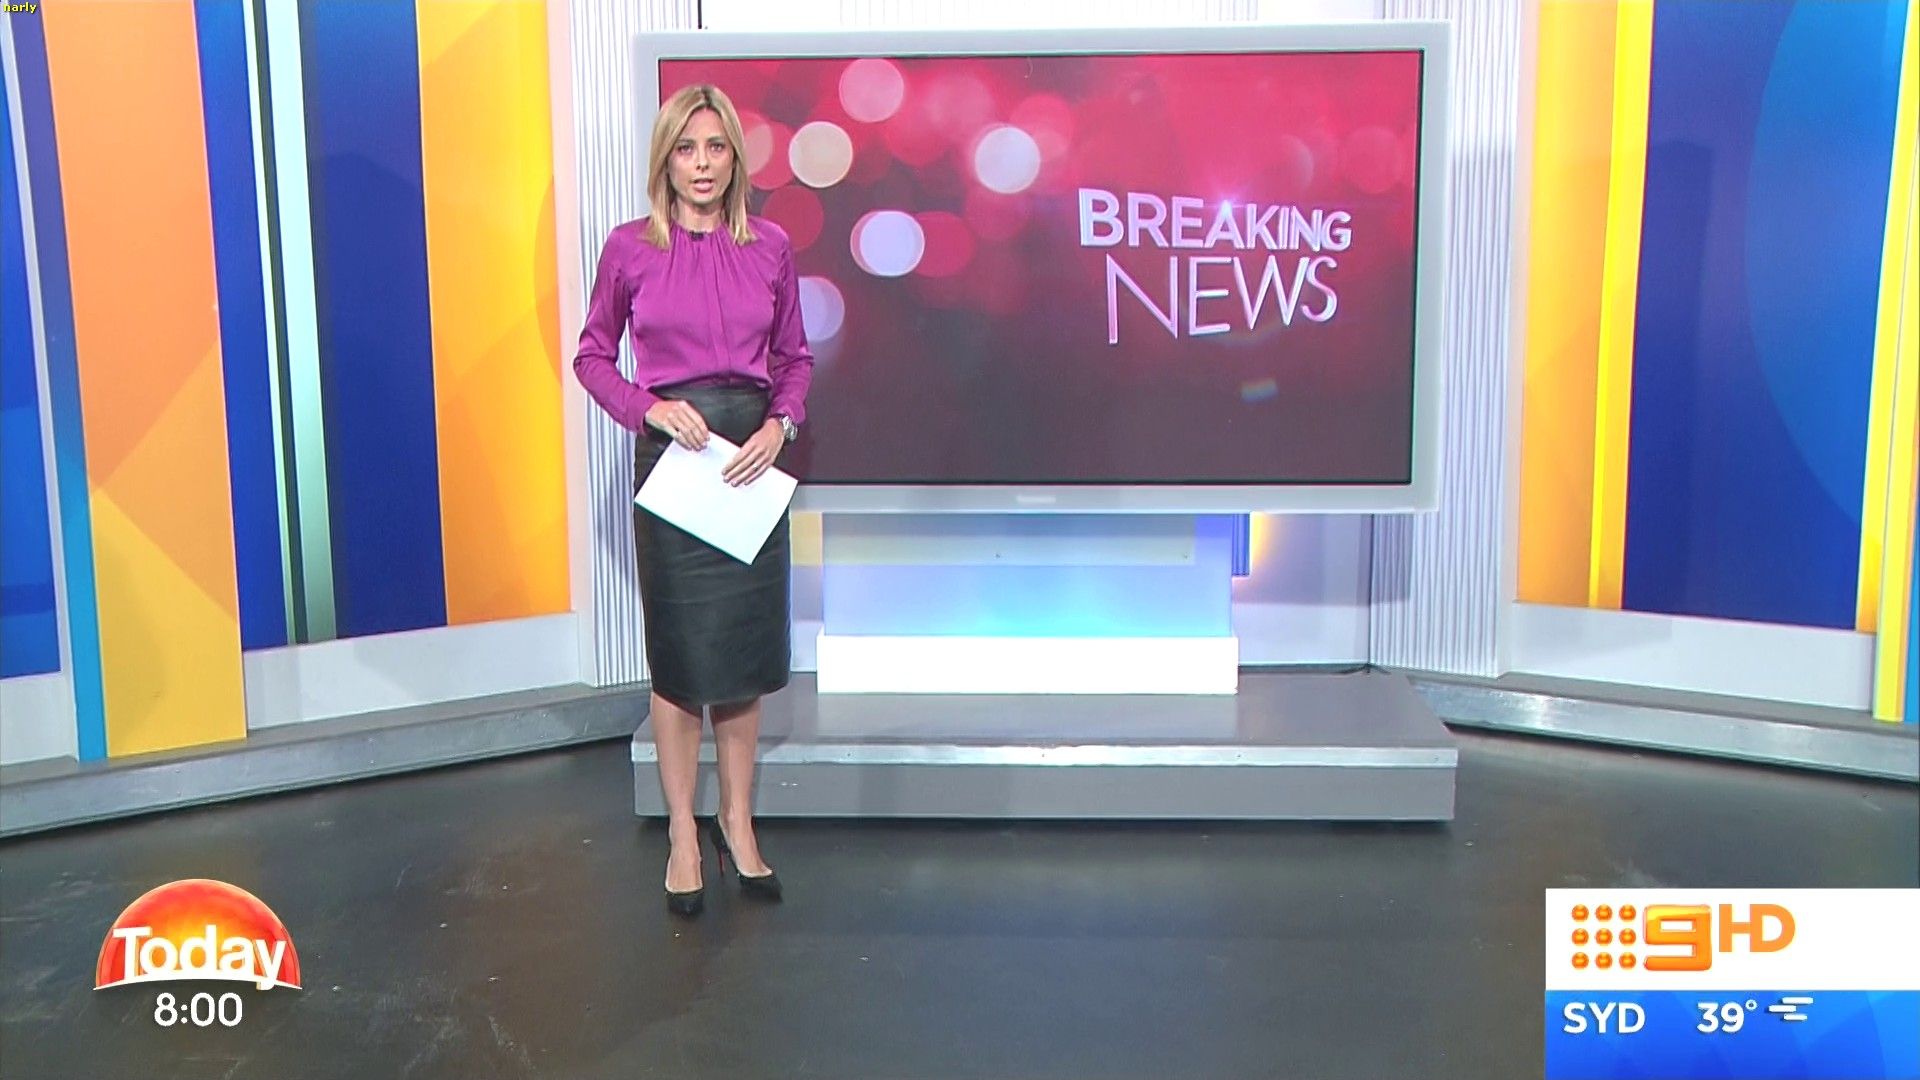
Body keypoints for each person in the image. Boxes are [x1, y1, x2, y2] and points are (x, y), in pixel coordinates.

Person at [572, 83, 815, 917]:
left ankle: (737, 824)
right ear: (665, 160)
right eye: (687, 149)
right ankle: (683, 832)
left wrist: (781, 425)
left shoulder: (770, 246)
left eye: (716, 148)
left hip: (749, 460)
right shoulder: (629, 250)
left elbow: (794, 359)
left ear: (734, 159)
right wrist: (647, 407)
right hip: (674, 465)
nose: (702, 165)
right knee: (680, 664)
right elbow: (593, 357)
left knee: (741, 664)